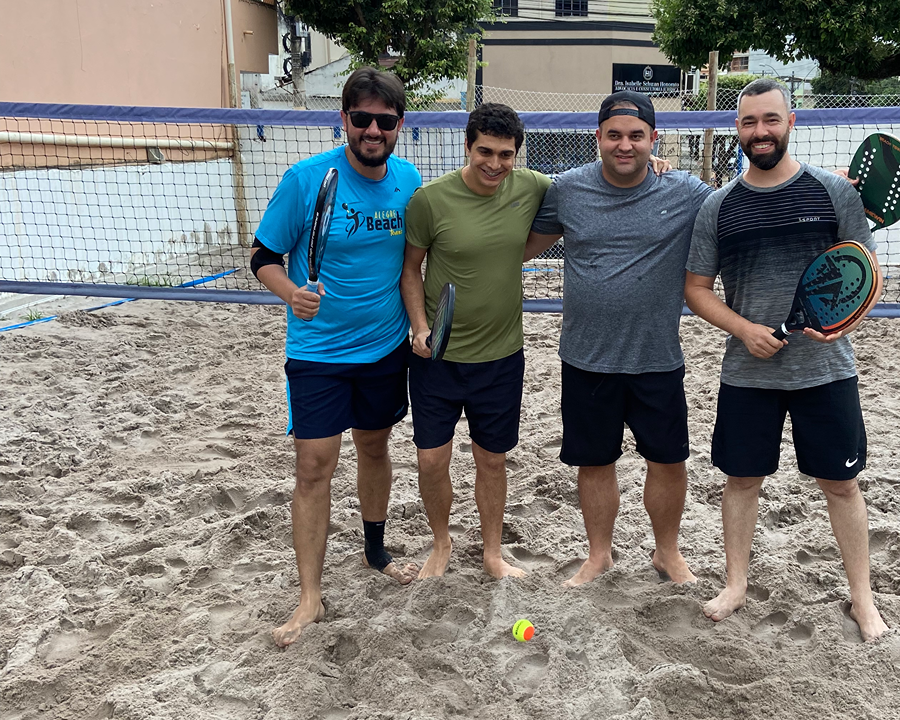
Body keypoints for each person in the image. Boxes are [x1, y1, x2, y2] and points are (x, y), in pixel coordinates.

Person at [683, 78, 890, 641]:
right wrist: (744, 329)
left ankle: (863, 600)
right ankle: (736, 585)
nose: (761, 131)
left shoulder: (834, 193)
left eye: (771, 119)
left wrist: (843, 322)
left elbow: (866, 273)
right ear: (737, 129)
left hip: (826, 369)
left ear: (791, 122)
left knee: (841, 485)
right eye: (750, 121)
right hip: (748, 371)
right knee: (742, 480)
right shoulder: (718, 206)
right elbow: (696, 289)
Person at [251, 67, 421, 647]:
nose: (373, 130)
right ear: (343, 119)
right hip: (318, 352)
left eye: (384, 121)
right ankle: (310, 597)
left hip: (384, 347)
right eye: (362, 118)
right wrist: (289, 292)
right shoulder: (306, 179)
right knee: (313, 467)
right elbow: (263, 256)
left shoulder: (408, 179)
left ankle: (375, 552)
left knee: (374, 447)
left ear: (399, 124)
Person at [525, 90, 711, 587]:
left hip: (657, 356)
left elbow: (750, 198)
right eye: (614, 135)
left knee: (668, 461)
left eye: (635, 136)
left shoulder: (685, 191)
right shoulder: (567, 189)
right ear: (598, 138)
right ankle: (599, 555)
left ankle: (667, 553)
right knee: (594, 462)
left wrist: (829, 183)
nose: (624, 145)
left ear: (654, 139)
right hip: (586, 357)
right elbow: (519, 245)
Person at [401, 103, 551, 580]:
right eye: (485, 151)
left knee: (492, 459)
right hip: (437, 356)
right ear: (467, 146)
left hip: (501, 356)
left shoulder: (532, 186)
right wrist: (419, 327)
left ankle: (491, 553)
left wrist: (657, 164)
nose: (494, 163)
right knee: (431, 460)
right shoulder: (430, 200)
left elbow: (591, 185)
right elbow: (410, 270)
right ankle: (441, 542)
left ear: (517, 155)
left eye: (505, 154)